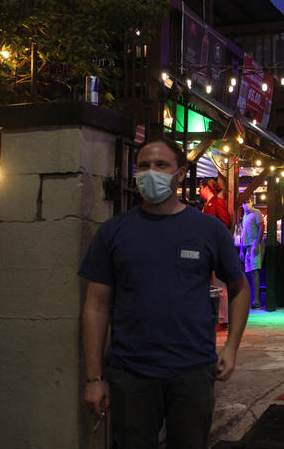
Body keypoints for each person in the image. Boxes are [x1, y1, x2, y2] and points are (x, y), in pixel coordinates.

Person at [80, 138, 250, 449]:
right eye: (143, 166)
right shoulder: (113, 232)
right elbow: (96, 306)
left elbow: (239, 289)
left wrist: (232, 347)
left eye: (161, 165)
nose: (151, 172)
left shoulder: (208, 230)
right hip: (131, 372)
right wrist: (94, 378)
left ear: (181, 173)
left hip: (193, 371)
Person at [200, 177, 232, 328]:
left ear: (205, 188)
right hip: (207, 248)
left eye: (200, 188)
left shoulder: (217, 203)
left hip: (216, 247)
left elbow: (226, 222)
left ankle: (223, 318)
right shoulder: (207, 205)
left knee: (219, 284)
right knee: (212, 284)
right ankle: (215, 316)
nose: (199, 191)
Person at [241, 197, 265, 309]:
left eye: (247, 202)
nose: (246, 205)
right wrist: (242, 249)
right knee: (249, 274)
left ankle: (257, 301)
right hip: (247, 247)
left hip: (255, 245)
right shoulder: (245, 215)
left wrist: (256, 243)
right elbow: (243, 233)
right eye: (244, 203)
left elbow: (262, 227)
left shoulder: (256, 212)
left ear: (251, 202)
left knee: (255, 273)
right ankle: (251, 299)